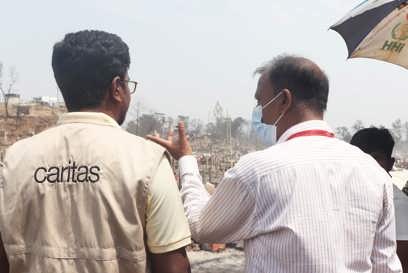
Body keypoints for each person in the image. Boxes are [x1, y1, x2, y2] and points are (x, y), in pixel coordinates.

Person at [148, 55, 402, 273]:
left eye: (261, 100)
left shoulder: (258, 170)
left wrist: (186, 160)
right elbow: (385, 266)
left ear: (283, 100)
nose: (259, 108)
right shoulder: (372, 173)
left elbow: (202, 226)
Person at [0, 30, 191, 273]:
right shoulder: (147, 161)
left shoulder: (16, 159)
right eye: (128, 84)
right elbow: (173, 266)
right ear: (117, 88)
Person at [350, 127, 408, 272]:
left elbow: (401, 259)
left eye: (376, 158)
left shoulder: (400, 206)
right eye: (362, 158)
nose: (368, 165)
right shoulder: (343, 197)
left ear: (390, 163)